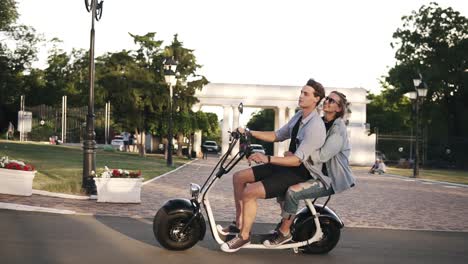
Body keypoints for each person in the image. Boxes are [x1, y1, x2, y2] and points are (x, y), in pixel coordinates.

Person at [219, 78, 327, 253]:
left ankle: (244, 236)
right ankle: (239, 224)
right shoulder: (299, 116)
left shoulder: (315, 126)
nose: (301, 96)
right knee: (239, 177)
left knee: (250, 192)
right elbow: (277, 135)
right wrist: (249, 132)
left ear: (316, 99)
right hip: (287, 166)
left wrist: (267, 158)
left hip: (300, 172)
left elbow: (297, 161)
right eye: (301, 92)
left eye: (305, 94)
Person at [263, 91, 356, 247]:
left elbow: (322, 156)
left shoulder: (338, 130)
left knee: (293, 192)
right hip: (313, 172)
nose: (327, 101)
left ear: (339, 108)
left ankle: (284, 233)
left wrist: (297, 155)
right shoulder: (318, 122)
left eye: (332, 101)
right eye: (327, 98)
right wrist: (294, 154)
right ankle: (287, 222)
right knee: (281, 185)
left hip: (329, 179)